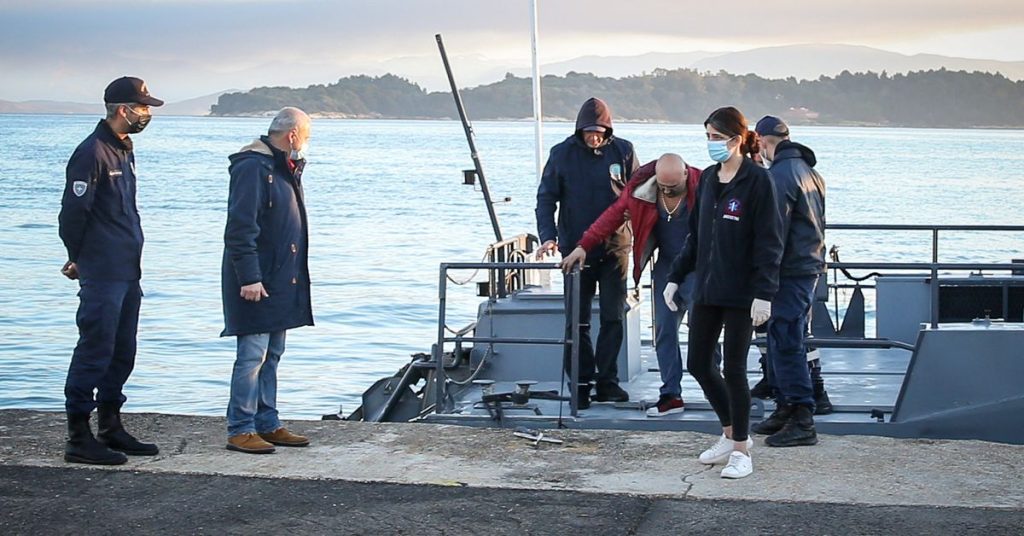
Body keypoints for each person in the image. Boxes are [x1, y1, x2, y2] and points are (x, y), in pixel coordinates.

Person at [664, 106, 783, 479]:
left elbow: (770, 242)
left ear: (736, 139)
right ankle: (730, 434)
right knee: (698, 363)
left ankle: (742, 451)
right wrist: (675, 275)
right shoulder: (710, 181)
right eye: (708, 137)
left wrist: (764, 293)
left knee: (734, 368)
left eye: (717, 137)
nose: (712, 144)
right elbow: (696, 237)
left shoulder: (758, 182)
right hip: (708, 288)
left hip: (742, 293)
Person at [58, 76, 164, 465]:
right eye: (143, 108)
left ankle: (111, 425)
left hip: (127, 270)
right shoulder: (93, 153)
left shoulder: (122, 149)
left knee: (122, 350)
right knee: (95, 348)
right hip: (102, 271)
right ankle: (78, 437)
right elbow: (73, 213)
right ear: (123, 110)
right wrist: (77, 257)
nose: (147, 114)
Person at [561, 153, 703, 417]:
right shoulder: (642, 191)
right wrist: (583, 246)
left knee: (704, 332)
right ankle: (671, 393)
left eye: (673, 187)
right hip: (667, 268)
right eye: (663, 187)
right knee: (664, 330)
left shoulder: (706, 185)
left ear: (686, 174)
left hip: (700, 269)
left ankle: (715, 388)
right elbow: (611, 217)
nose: (668, 191)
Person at [222, 107, 314, 454]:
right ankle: (241, 427)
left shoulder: (284, 168)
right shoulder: (253, 167)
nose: (305, 144)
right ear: (292, 135)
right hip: (256, 280)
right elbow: (240, 227)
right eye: (305, 136)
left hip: (280, 278)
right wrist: (249, 277)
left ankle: (267, 421)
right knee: (252, 356)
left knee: (273, 353)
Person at [536, 97, 638, 409]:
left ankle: (607, 382)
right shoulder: (561, 153)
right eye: (588, 131)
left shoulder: (624, 150)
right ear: (579, 130)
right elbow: (546, 198)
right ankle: (580, 384)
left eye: (599, 131)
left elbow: (637, 196)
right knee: (576, 322)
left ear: (608, 130)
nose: (594, 136)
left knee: (613, 317)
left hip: (616, 248)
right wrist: (548, 236)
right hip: (574, 250)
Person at [749, 115, 827, 447]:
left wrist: (762, 278)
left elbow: (773, 232)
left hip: (788, 271)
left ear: (764, 142)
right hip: (808, 266)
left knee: (785, 341)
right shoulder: (811, 173)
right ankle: (786, 407)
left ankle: (802, 417)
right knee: (786, 338)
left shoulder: (778, 176)